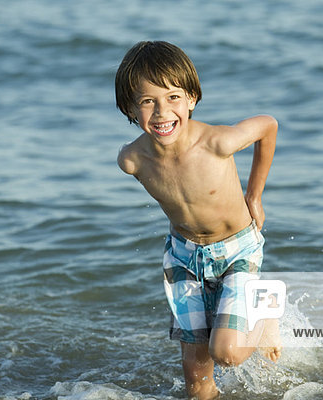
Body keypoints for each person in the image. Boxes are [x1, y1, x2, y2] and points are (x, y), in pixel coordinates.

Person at [115, 41, 280, 400]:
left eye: (173, 97)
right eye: (147, 101)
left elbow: (268, 126)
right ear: (130, 108)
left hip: (236, 249)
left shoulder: (216, 143)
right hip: (183, 258)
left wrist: (254, 195)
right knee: (197, 378)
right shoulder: (132, 160)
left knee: (227, 353)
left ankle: (265, 314)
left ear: (191, 98)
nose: (162, 112)